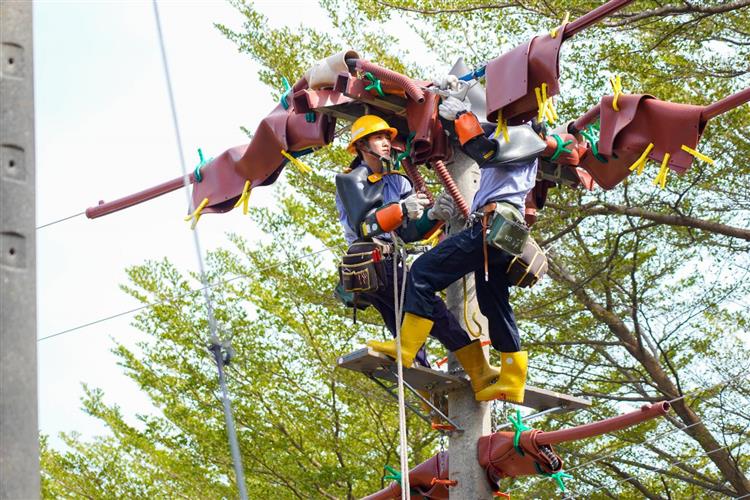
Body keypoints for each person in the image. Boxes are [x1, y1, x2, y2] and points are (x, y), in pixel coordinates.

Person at [366, 93, 582, 403]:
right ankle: (512, 377)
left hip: (494, 223)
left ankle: (407, 347)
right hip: (503, 229)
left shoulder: (525, 136)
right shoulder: (517, 138)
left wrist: (463, 118)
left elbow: (486, 152)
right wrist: (456, 121)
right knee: (493, 301)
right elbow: (483, 142)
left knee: (423, 272)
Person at [335, 114, 478, 369]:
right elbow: (364, 225)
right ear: (361, 145)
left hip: (391, 259)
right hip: (369, 259)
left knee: (404, 321)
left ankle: (418, 367)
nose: (386, 143)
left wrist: (432, 216)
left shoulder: (398, 181)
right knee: (430, 308)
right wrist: (401, 209)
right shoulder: (349, 180)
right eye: (378, 138)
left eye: (387, 138)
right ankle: (476, 364)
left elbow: (407, 233)